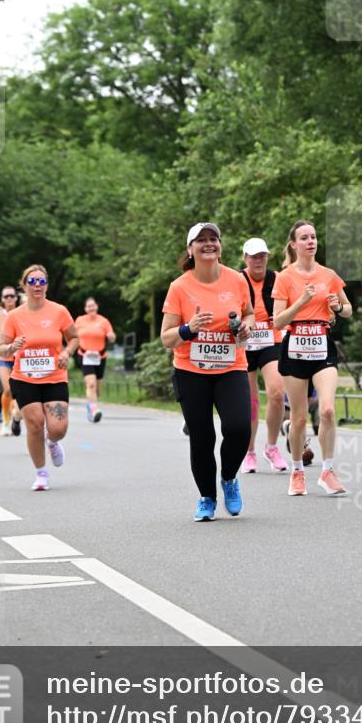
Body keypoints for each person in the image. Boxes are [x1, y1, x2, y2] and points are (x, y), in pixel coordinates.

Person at [161, 222, 254, 522]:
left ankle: (228, 477)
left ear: (221, 246)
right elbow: (167, 338)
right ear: (190, 250)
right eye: (201, 240)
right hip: (191, 370)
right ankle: (207, 498)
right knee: (202, 437)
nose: (208, 243)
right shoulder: (179, 287)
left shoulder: (237, 280)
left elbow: (249, 314)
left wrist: (246, 328)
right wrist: (188, 329)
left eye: (213, 238)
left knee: (239, 428)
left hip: (230, 367)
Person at [272, 220, 352, 496]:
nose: (311, 242)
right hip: (294, 348)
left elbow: (348, 309)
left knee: (328, 410)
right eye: (304, 238)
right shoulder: (284, 278)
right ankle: (297, 472)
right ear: (294, 244)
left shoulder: (329, 275)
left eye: (314, 237)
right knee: (298, 419)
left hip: (322, 347)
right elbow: (278, 320)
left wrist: (337, 307)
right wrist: (301, 301)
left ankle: (327, 471)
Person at [0, 264, 78, 491]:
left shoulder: (59, 311)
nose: (37, 285)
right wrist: (12, 347)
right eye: (32, 281)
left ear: (47, 285)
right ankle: (41, 473)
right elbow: (1, 348)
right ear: (24, 286)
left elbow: (73, 338)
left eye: (42, 281)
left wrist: (66, 353)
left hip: (54, 377)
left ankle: (52, 442)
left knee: (58, 428)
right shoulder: (14, 316)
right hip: (24, 378)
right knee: (34, 424)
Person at [239, 237, 288, 475]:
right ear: (245, 258)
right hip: (245, 343)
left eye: (262, 256)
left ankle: (271, 447)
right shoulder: (237, 279)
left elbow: (289, 305)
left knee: (277, 393)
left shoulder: (277, 278)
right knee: (250, 402)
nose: (258, 261)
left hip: (271, 341)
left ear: (267, 257)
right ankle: (249, 452)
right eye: (253, 257)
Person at [0, 287, 23, 436]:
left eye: (11, 296)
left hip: (19, 356)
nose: (9, 299)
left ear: (16, 298)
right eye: (6, 296)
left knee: (18, 390)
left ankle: (16, 416)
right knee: (8, 389)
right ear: (2, 299)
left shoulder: (22, 312)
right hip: (2, 356)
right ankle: (6, 422)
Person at [74, 297, 116, 423]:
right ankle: (94, 410)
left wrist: (111, 336)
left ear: (96, 306)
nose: (91, 308)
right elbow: (72, 335)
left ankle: (90, 406)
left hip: (100, 357)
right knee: (90, 384)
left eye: (93, 305)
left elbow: (112, 336)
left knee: (97, 389)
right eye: (89, 306)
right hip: (85, 355)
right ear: (85, 309)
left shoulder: (104, 321)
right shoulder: (80, 320)